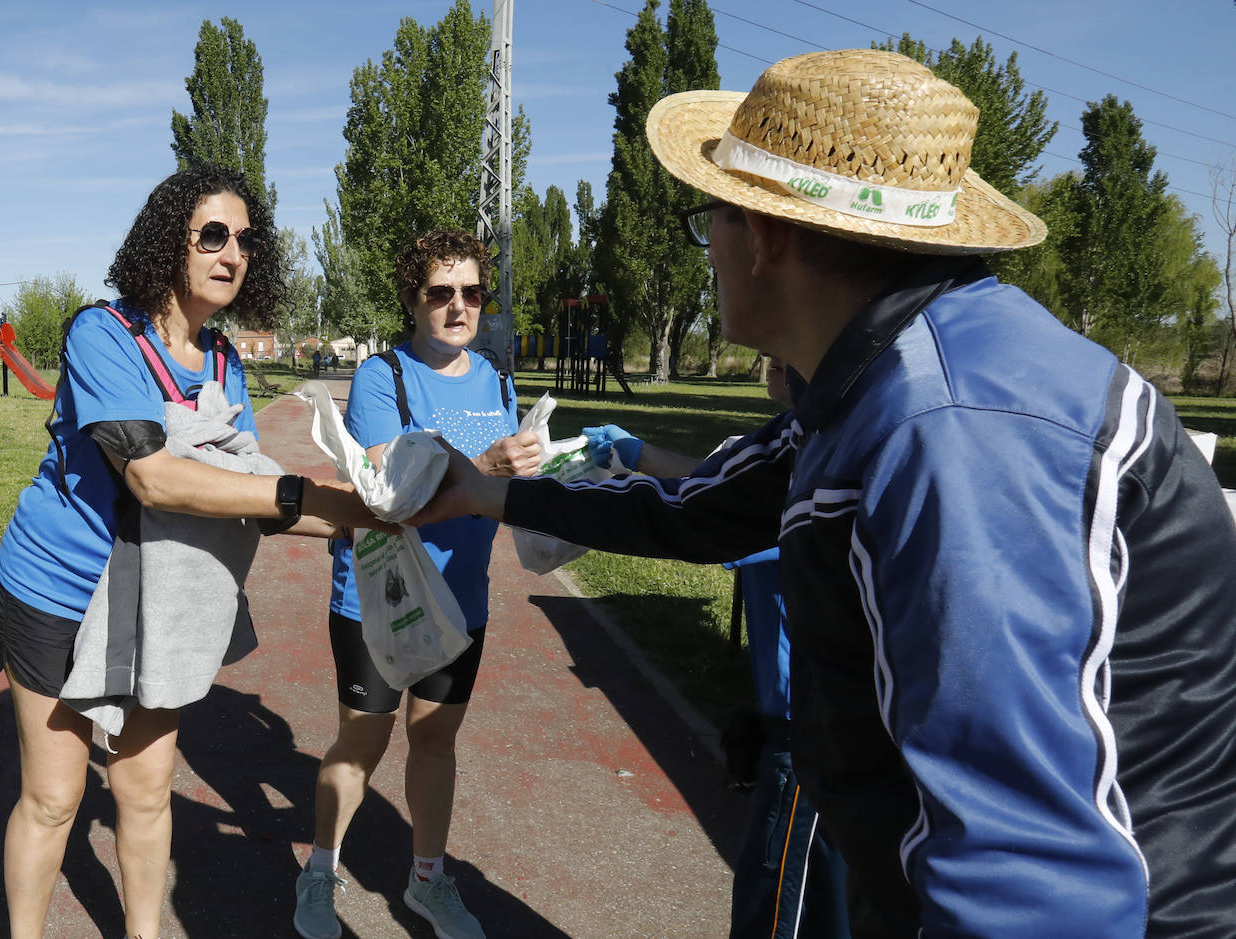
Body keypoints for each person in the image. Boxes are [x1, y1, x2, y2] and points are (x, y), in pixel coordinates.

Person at [410, 49, 1236, 937]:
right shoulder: (874, 381)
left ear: (763, 234)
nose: (708, 254)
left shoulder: (953, 427)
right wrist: (482, 494)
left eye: (708, 220)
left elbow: (1024, 872)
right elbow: (701, 510)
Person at [0, 165, 389, 939]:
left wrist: (361, 516)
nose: (231, 251)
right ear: (169, 242)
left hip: (153, 603)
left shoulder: (225, 363)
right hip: (57, 590)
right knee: (55, 797)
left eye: (246, 240)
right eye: (213, 234)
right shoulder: (102, 334)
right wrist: (308, 500)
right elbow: (155, 476)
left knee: (145, 791)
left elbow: (247, 488)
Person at [294, 229, 540, 939]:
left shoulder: (496, 376)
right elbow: (385, 497)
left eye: (471, 292)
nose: (458, 306)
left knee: (436, 740)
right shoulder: (382, 375)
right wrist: (485, 466)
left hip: (463, 595)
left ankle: (427, 881)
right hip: (384, 597)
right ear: (413, 298)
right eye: (440, 292)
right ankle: (319, 870)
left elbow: (502, 481)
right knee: (361, 743)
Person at [583, 361, 849, 939]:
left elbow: (707, 517)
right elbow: (715, 480)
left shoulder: (824, 464)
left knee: (774, 910)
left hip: (806, 742)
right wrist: (641, 454)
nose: (770, 352)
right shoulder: (797, 438)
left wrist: (522, 497)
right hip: (799, 729)